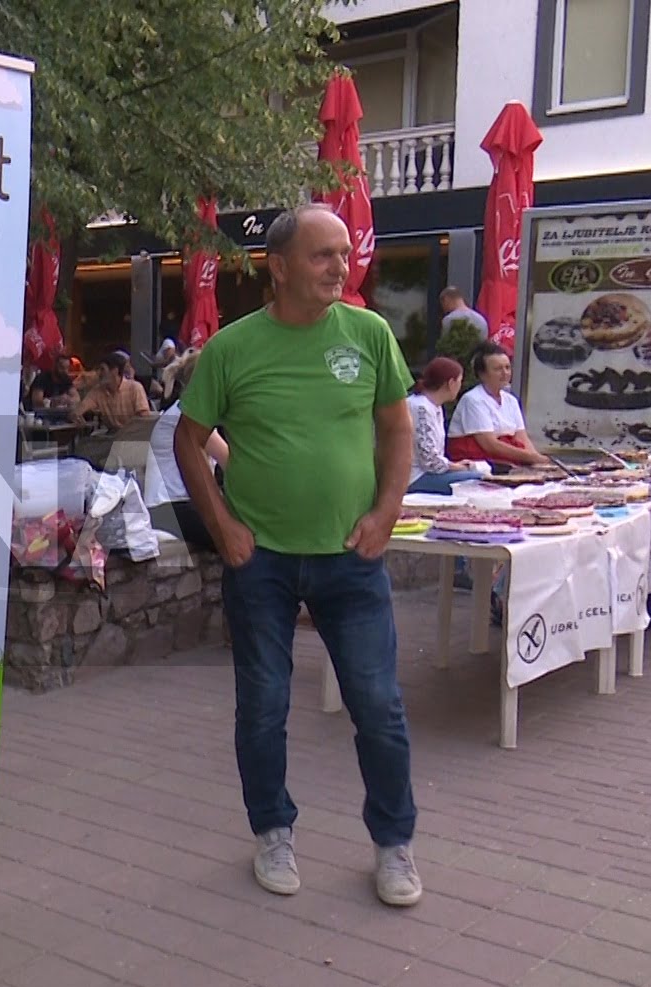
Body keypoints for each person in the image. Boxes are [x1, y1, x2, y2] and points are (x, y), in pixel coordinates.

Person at [175, 204, 422, 908]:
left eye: (344, 253)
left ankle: (394, 845)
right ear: (278, 267)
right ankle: (272, 832)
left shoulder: (369, 334)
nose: (341, 266)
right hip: (263, 562)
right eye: (323, 255)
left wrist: (387, 511)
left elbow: (396, 429)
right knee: (263, 705)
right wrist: (222, 525)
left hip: (351, 556)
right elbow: (188, 440)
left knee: (378, 704)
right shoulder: (233, 348)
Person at [144, 353, 227, 551]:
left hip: (172, 506)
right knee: (240, 538)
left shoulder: (184, 411)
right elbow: (231, 462)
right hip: (170, 507)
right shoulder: (186, 415)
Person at [446, 341, 547, 467]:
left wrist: (538, 460)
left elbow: (522, 438)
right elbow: (489, 445)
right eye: (498, 369)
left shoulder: (511, 400)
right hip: (479, 462)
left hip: (505, 459)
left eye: (507, 367)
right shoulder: (473, 400)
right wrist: (531, 458)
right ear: (482, 374)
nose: (505, 373)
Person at [406, 357, 490, 495]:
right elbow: (429, 460)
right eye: (459, 381)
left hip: (426, 473)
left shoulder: (434, 407)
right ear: (451, 383)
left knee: (480, 475)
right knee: (479, 480)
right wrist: (458, 467)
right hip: (414, 477)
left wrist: (456, 466)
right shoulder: (420, 408)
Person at [79, 351, 153, 429]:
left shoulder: (135, 388)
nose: (99, 373)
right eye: (98, 370)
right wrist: (77, 415)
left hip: (134, 433)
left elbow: (144, 418)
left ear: (115, 371)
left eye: (102, 369)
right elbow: (81, 407)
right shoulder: (98, 391)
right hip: (112, 434)